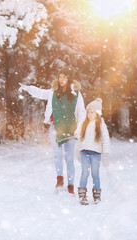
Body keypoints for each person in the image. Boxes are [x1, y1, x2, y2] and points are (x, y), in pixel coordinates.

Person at [19, 66, 86, 194]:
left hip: (71, 129)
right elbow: (40, 93)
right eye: (60, 76)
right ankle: (59, 179)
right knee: (58, 154)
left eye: (64, 77)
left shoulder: (76, 94)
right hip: (55, 127)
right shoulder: (53, 91)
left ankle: (71, 185)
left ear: (69, 78)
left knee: (70, 158)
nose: (61, 79)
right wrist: (28, 88)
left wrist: (79, 127)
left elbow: (81, 112)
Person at [75, 98, 110, 205]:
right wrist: (78, 152)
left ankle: (97, 196)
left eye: (92, 112)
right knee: (84, 173)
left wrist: (106, 154)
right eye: (88, 112)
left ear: (97, 113)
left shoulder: (101, 125)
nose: (89, 114)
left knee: (95, 174)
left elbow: (106, 140)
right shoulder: (83, 124)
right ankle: (82, 196)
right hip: (85, 153)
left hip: (96, 154)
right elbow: (78, 138)